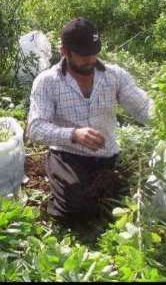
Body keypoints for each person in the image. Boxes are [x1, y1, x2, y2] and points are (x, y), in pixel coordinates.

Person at [27, 17, 154, 230]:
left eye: (94, 52)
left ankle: (98, 192)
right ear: (64, 51)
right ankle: (65, 195)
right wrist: (73, 134)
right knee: (74, 209)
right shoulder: (47, 82)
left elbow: (142, 107)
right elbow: (35, 129)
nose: (91, 59)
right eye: (84, 55)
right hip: (67, 154)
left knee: (128, 202)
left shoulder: (114, 76)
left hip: (106, 155)